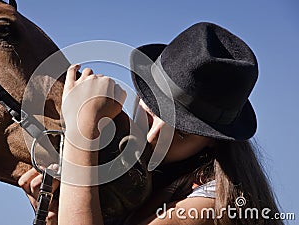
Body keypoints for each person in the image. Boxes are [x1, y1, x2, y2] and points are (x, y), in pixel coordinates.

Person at [18, 22, 283, 225]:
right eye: (151, 111)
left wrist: (81, 133)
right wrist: (53, 214)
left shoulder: (210, 206)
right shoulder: (149, 182)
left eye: (180, 134)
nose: (154, 135)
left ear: (213, 141)